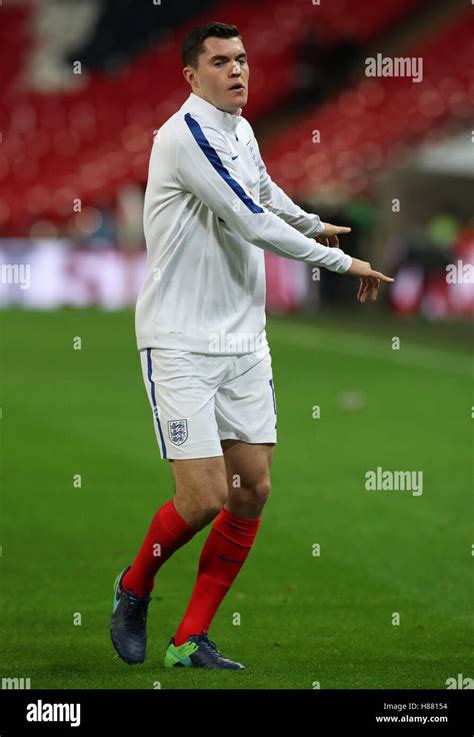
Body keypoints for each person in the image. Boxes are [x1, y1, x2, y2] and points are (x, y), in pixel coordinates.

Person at [110, 21, 393, 670]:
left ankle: (190, 640)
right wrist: (339, 261)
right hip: (180, 339)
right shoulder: (183, 137)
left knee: (251, 490)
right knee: (202, 497)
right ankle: (135, 585)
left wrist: (311, 219)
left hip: (243, 340)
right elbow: (249, 218)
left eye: (241, 59)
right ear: (191, 76)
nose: (237, 70)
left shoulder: (240, 129)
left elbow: (263, 192)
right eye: (220, 62)